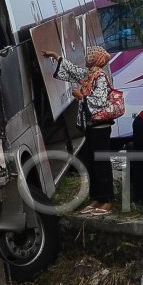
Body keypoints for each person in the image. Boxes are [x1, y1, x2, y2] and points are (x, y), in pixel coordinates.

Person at [43, 45, 116, 215]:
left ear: (96, 59)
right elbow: (73, 71)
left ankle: (107, 200)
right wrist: (57, 56)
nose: (86, 58)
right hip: (90, 126)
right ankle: (96, 198)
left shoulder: (101, 77)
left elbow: (98, 100)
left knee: (101, 163)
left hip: (101, 126)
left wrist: (81, 97)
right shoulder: (90, 75)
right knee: (91, 163)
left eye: (90, 56)